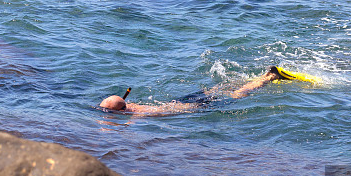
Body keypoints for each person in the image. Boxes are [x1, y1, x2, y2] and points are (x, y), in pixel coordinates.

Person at [99, 66, 288, 116]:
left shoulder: (136, 116)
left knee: (236, 95)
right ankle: (255, 78)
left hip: (189, 107)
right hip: (182, 101)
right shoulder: (130, 106)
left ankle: (270, 77)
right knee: (215, 89)